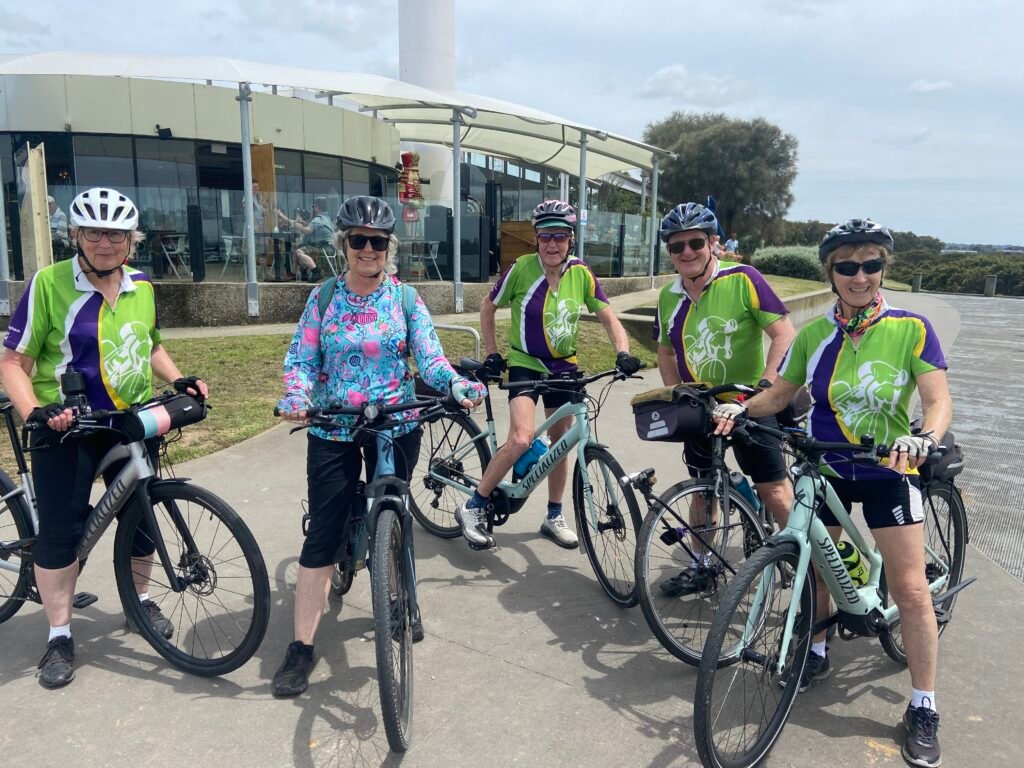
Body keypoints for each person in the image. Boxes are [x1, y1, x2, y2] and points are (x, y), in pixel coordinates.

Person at [712, 218, 952, 768]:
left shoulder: (911, 328)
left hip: (890, 466)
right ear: (831, 272)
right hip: (826, 464)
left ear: (883, 269)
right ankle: (816, 650)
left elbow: (937, 400)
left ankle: (923, 704)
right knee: (818, 567)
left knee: (911, 590)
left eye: (871, 264)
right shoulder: (814, 335)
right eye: (847, 266)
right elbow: (781, 394)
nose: (859, 276)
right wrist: (740, 409)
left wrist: (925, 437)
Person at [272, 195, 485, 697]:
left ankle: (397, 593)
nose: (368, 249)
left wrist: (457, 385)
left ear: (390, 247)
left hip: (396, 422)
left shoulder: (406, 300)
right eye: (358, 240)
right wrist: (297, 396)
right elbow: (301, 359)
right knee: (324, 534)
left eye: (378, 241)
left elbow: (430, 359)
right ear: (343, 244)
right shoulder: (323, 298)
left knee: (393, 511)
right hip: (334, 425)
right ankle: (301, 647)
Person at [0, 187, 208, 690]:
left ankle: (138, 603)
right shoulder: (49, 284)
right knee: (61, 533)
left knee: (142, 519)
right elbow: (13, 363)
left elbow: (149, 345)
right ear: (76, 235)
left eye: (116, 234)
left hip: (129, 420)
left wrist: (177, 378)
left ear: (132, 240)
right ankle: (59, 634)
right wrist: (35, 412)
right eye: (94, 232)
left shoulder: (142, 285)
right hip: (65, 426)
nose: (105, 243)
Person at [458, 200, 643, 550]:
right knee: (521, 439)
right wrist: (492, 353)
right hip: (526, 363)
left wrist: (623, 352)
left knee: (562, 445)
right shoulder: (522, 269)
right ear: (537, 240)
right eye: (545, 237)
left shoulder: (581, 273)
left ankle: (554, 515)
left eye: (559, 236)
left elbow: (608, 317)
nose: (552, 244)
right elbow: (487, 306)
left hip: (564, 366)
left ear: (571, 239)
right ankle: (474, 505)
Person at [652, 201, 796, 596]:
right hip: (702, 407)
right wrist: (676, 394)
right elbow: (666, 352)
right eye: (677, 246)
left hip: (749, 404)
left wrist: (765, 387)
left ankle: (809, 574)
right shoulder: (669, 296)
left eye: (695, 243)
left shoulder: (744, 279)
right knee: (703, 488)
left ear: (713, 242)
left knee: (775, 491)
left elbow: (784, 333)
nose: (687, 252)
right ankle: (701, 566)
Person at [278, 196, 333, 281]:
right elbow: (313, 227)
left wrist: (298, 226)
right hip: (327, 247)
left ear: (317, 207)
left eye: (313, 207)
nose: (312, 209)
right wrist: (303, 223)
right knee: (298, 250)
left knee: (299, 252)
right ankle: (297, 273)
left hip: (324, 248)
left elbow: (307, 231)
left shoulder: (318, 219)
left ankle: (316, 271)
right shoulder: (326, 218)